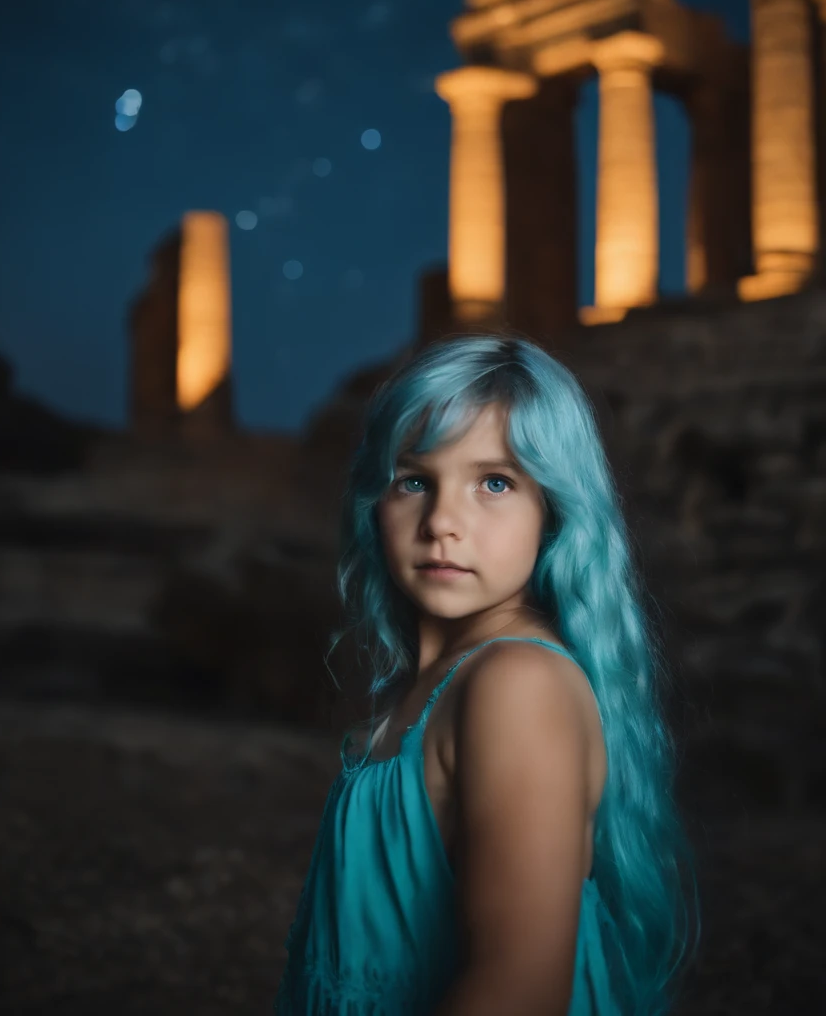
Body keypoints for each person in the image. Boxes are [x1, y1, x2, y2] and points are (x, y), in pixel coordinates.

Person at [273, 333, 700, 1015]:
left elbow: (518, 989)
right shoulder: (437, 681)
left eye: (495, 483)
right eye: (414, 480)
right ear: (374, 502)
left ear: (554, 512)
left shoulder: (515, 684)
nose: (442, 521)